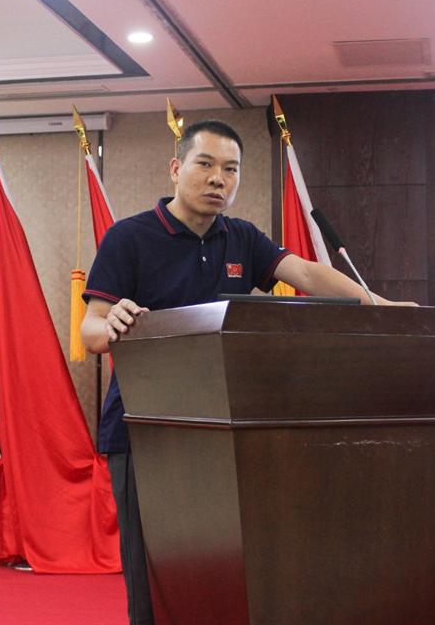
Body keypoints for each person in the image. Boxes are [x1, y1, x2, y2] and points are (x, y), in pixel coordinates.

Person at [81, 119, 414, 625]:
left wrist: (380, 306)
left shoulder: (241, 238)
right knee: (153, 578)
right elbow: (91, 330)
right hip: (144, 432)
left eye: (231, 169)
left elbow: (305, 272)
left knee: (221, 572)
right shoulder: (129, 237)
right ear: (176, 168)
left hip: (222, 429)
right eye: (206, 164)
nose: (219, 178)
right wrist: (113, 323)